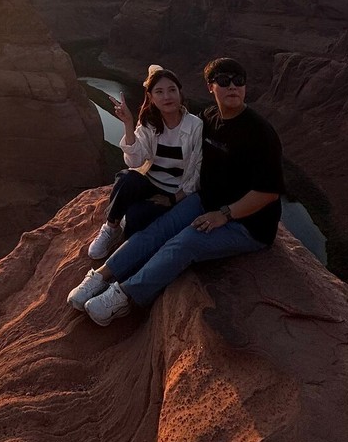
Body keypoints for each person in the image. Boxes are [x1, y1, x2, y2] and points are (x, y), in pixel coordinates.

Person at [68, 56, 284, 325]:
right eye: (224, 81)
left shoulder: (260, 133)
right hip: (205, 201)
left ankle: (122, 296)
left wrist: (224, 215)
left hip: (248, 225)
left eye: (239, 81)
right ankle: (100, 275)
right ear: (210, 87)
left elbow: (269, 192)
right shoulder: (209, 117)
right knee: (157, 230)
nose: (233, 87)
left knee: (184, 243)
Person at [85, 65, 202, 259]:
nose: (167, 97)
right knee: (127, 178)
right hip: (148, 184)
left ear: (180, 93)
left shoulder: (195, 126)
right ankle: (111, 227)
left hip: (175, 191)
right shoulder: (149, 122)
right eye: (159, 92)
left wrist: (173, 199)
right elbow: (135, 161)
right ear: (151, 98)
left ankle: (126, 224)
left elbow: (198, 170)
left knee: (136, 219)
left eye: (172, 90)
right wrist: (128, 124)